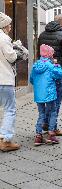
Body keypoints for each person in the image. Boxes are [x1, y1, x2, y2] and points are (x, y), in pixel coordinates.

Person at [38, 14, 62, 135]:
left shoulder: (42, 35)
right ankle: (52, 127)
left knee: (47, 99)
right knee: (56, 100)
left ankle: (45, 122)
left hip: (44, 73)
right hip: (58, 72)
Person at [30, 44, 62, 146]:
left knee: (41, 114)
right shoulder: (50, 65)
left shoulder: (36, 65)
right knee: (53, 112)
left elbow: (31, 79)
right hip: (49, 93)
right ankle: (51, 135)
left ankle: (38, 136)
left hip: (39, 94)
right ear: (50, 54)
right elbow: (59, 74)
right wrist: (56, 65)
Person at [0, 12, 20, 152]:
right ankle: (5, 140)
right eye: (9, 25)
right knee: (9, 109)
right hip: (4, 78)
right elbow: (12, 57)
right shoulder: (3, 38)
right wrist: (17, 49)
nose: (10, 27)